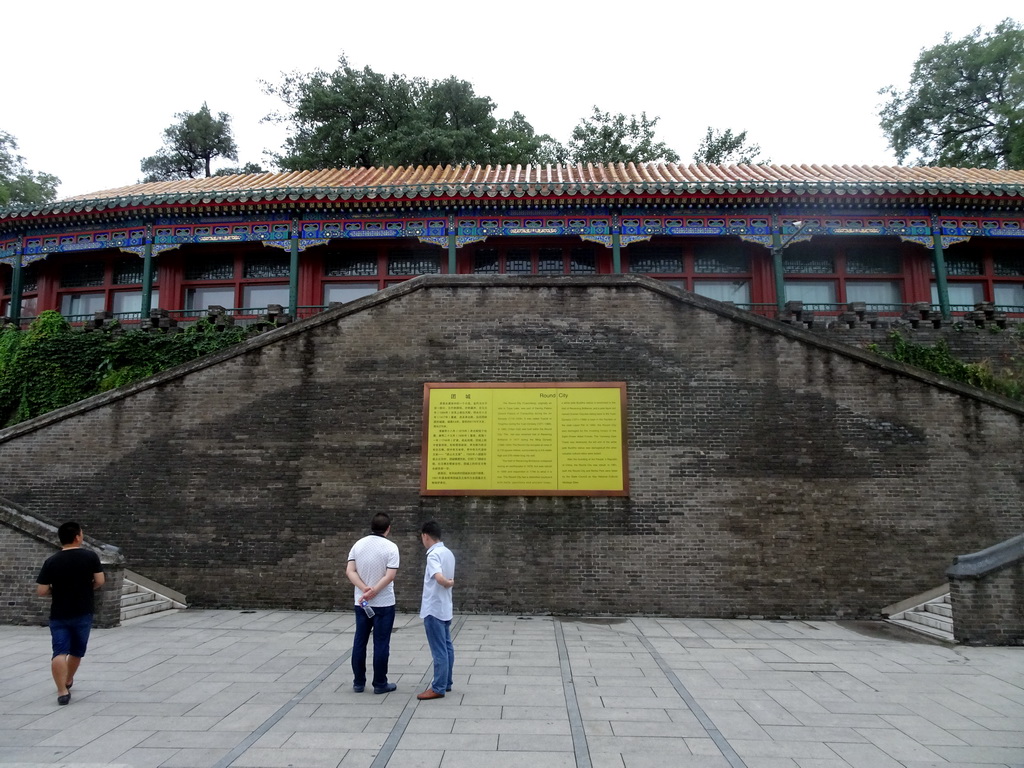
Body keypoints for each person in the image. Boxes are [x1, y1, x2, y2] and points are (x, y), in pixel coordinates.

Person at [36, 521, 105, 706]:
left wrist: (57, 591)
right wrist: (87, 588)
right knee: (76, 651)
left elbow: (41, 590)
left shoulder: (51, 561)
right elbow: (100, 580)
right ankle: (68, 679)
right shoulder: (90, 557)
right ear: (77, 537)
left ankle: (62, 691)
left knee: (59, 651)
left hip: (59, 612)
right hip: (83, 611)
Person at [346, 512, 400, 694]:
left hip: (361, 603)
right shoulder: (391, 548)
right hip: (384, 603)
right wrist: (374, 591)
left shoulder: (358, 545)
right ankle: (380, 683)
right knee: (381, 643)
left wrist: (364, 590)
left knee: (360, 641)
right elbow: (390, 575)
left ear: (371, 527)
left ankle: (358, 682)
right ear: (388, 528)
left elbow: (350, 571)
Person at [416, 520, 456, 701]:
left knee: (438, 649)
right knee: (447, 646)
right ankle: (446, 682)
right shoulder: (448, 553)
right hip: (445, 606)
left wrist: (446, 583)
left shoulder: (433, 555)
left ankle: (438, 687)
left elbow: (439, 577)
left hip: (433, 608)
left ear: (425, 536)